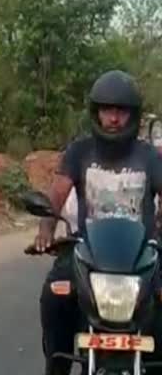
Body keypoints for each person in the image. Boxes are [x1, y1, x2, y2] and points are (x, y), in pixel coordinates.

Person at [35, 69, 162, 375]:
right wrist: (46, 229)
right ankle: (58, 366)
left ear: (132, 115)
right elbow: (58, 193)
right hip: (85, 253)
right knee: (54, 295)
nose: (114, 118)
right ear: (96, 113)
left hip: (142, 257)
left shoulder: (149, 157)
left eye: (121, 111)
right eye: (107, 110)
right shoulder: (79, 151)